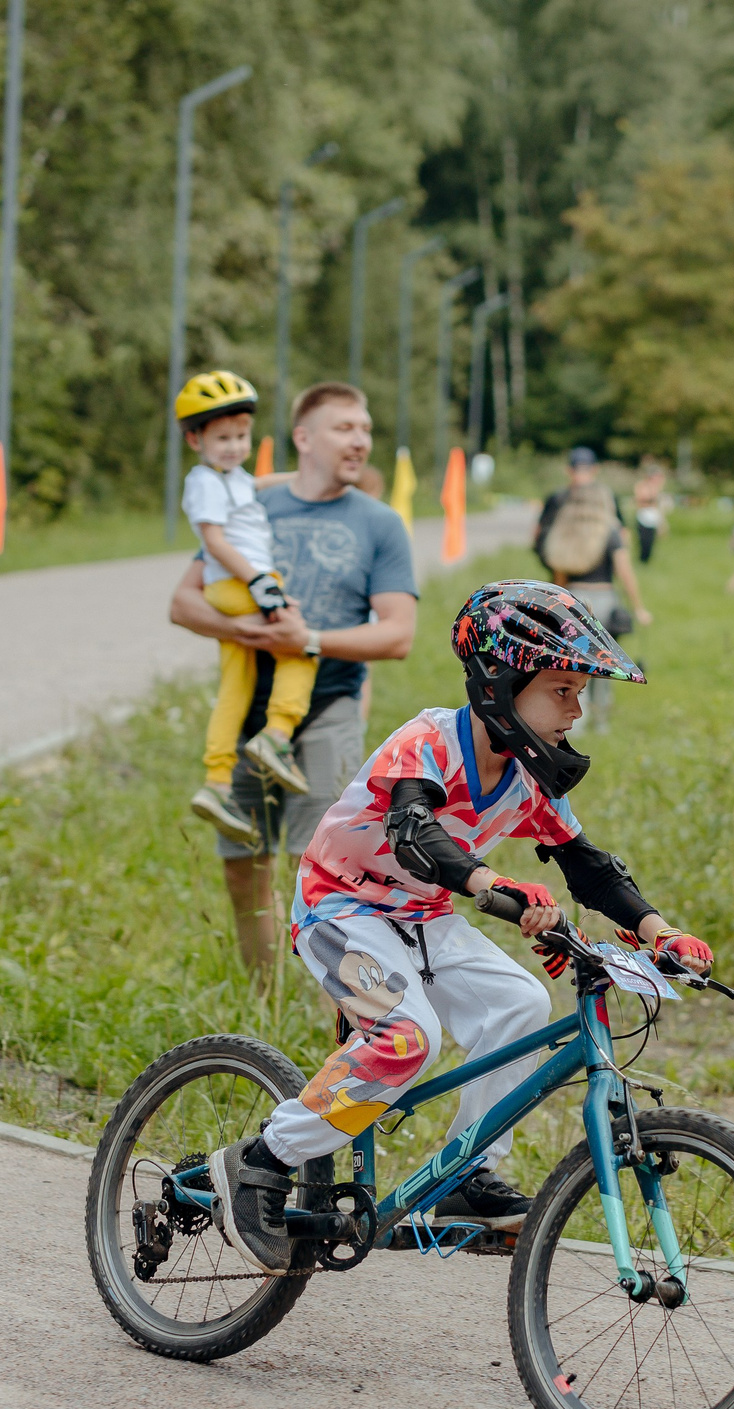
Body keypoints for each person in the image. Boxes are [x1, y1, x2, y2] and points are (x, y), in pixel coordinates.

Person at [204, 579, 715, 1269]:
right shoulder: (427, 742)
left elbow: (587, 866)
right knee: (407, 1036)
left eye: (579, 691)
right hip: (342, 907)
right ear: (502, 685)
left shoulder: (529, 776)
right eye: (562, 689)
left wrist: (660, 931)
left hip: (422, 916)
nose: (577, 707)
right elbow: (416, 834)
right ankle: (262, 1160)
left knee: (524, 1004)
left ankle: (466, 1177)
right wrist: (493, 883)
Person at [167, 381, 417, 979]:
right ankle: (264, 1002)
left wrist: (305, 641)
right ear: (303, 438)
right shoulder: (251, 510)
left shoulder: (380, 524)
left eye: (365, 429)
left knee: (320, 868)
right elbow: (182, 603)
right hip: (248, 709)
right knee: (242, 861)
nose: (360, 441)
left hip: (330, 707)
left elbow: (398, 634)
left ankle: (332, 1011)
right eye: (344, 428)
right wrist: (256, 635)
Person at [174, 370, 313, 845]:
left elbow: (258, 484)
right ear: (195, 439)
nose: (233, 446)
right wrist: (259, 582)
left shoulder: (229, 478)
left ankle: (215, 783)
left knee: (236, 683)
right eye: (221, 438)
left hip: (235, 586)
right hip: (242, 582)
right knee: (299, 648)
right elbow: (212, 539)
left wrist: (301, 475)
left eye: (240, 436)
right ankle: (276, 735)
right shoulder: (205, 481)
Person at [532, 448, 653, 733]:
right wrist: (639, 607)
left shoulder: (566, 530)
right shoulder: (608, 531)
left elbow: (557, 572)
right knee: (605, 665)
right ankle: (601, 722)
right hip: (604, 599)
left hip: (572, 600)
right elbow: (625, 572)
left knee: (573, 666)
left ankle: (573, 723)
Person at [631, 458, 669, 566]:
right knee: (644, 541)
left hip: (653, 517)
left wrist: (662, 524)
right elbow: (641, 499)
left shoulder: (657, 489)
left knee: (651, 542)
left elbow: (658, 507)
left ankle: (646, 562)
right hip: (643, 517)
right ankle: (641, 562)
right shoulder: (642, 486)